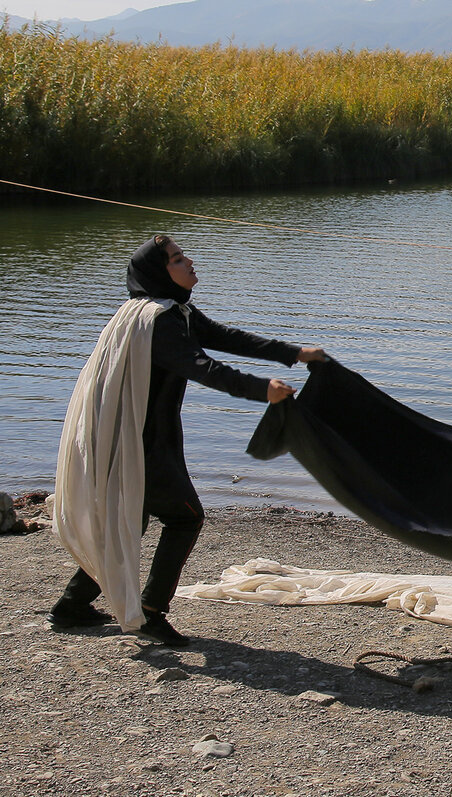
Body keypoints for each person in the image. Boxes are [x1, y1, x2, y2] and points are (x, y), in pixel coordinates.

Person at [49, 234, 326, 646]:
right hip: (139, 442)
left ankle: (71, 606)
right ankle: (150, 611)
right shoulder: (157, 321)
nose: (189, 262)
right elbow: (204, 368)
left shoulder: (167, 311)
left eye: (183, 255)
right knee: (185, 516)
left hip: (147, 435)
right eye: (177, 259)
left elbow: (225, 336)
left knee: (134, 517)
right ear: (161, 273)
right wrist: (260, 389)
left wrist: (293, 352)